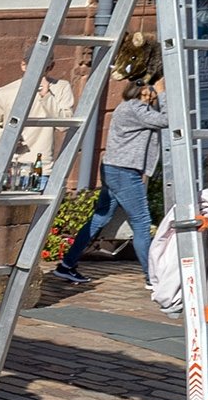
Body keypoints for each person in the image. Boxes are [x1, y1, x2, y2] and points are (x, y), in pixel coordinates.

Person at [59, 69, 167, 285]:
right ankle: (152, 278)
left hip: (115, 169)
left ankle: (67, 265)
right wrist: (162, 94)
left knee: (101, 217)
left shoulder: (128, 108)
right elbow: (167, 120)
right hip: (123, 172)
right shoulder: (135, 108)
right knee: (141, 222)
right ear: (144, 91)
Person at [0, 52, 76, 181]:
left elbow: (64, 125)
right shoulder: (5, 92)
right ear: (23, 65)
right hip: (6, 165)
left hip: (39, 167)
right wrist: (6, 136)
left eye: (45, 67)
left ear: (51, 67)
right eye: (34, 66)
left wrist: (46, 95)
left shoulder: (60, 88)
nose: (38, 71)